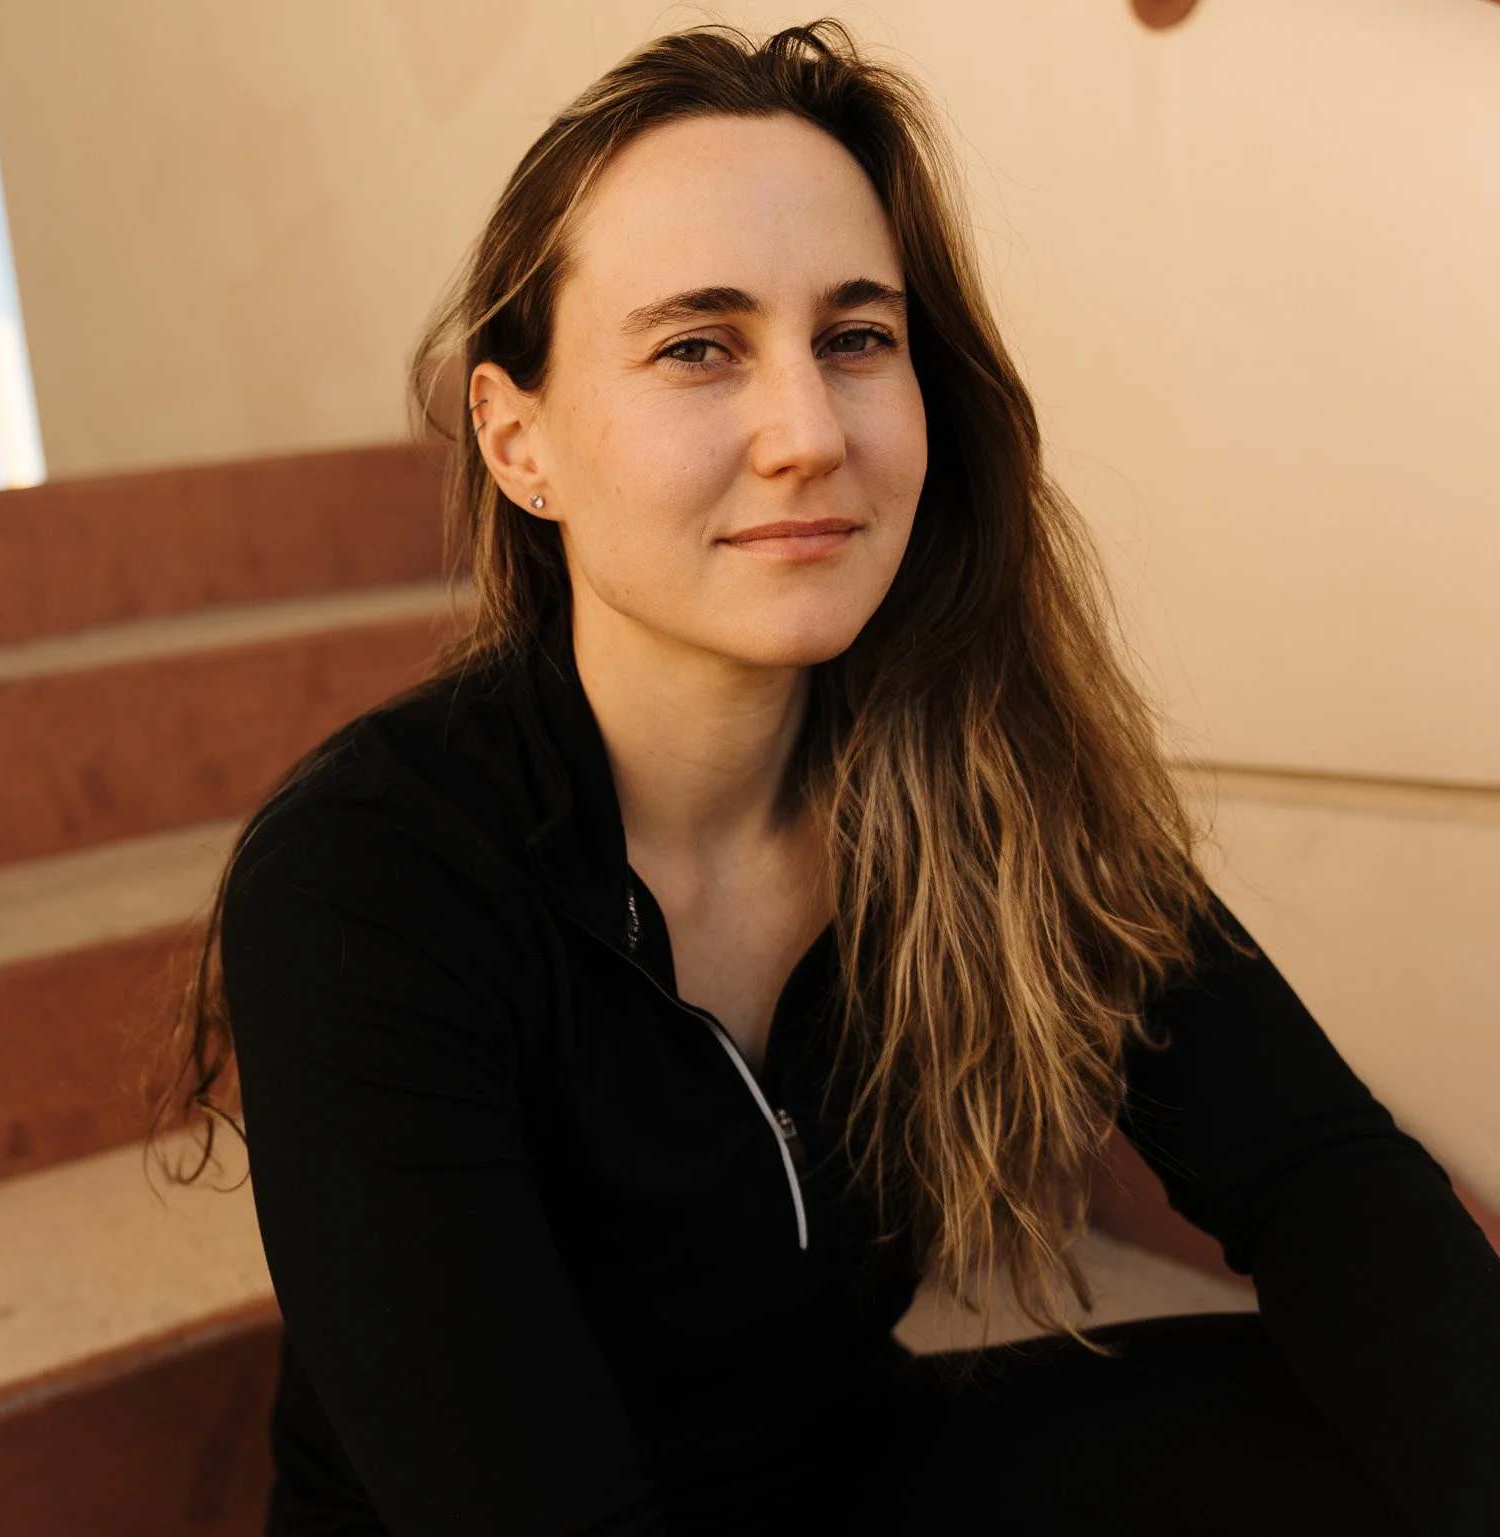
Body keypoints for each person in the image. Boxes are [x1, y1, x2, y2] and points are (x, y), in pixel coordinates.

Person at [158, 21, 1500, 1536]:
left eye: (856, 337)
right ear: (516, 438)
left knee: (1366, 1418)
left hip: (832, 1477)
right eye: (695, 347)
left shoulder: (983, 777)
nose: (808, 434)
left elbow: (1320, 1178)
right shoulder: (370, 882)